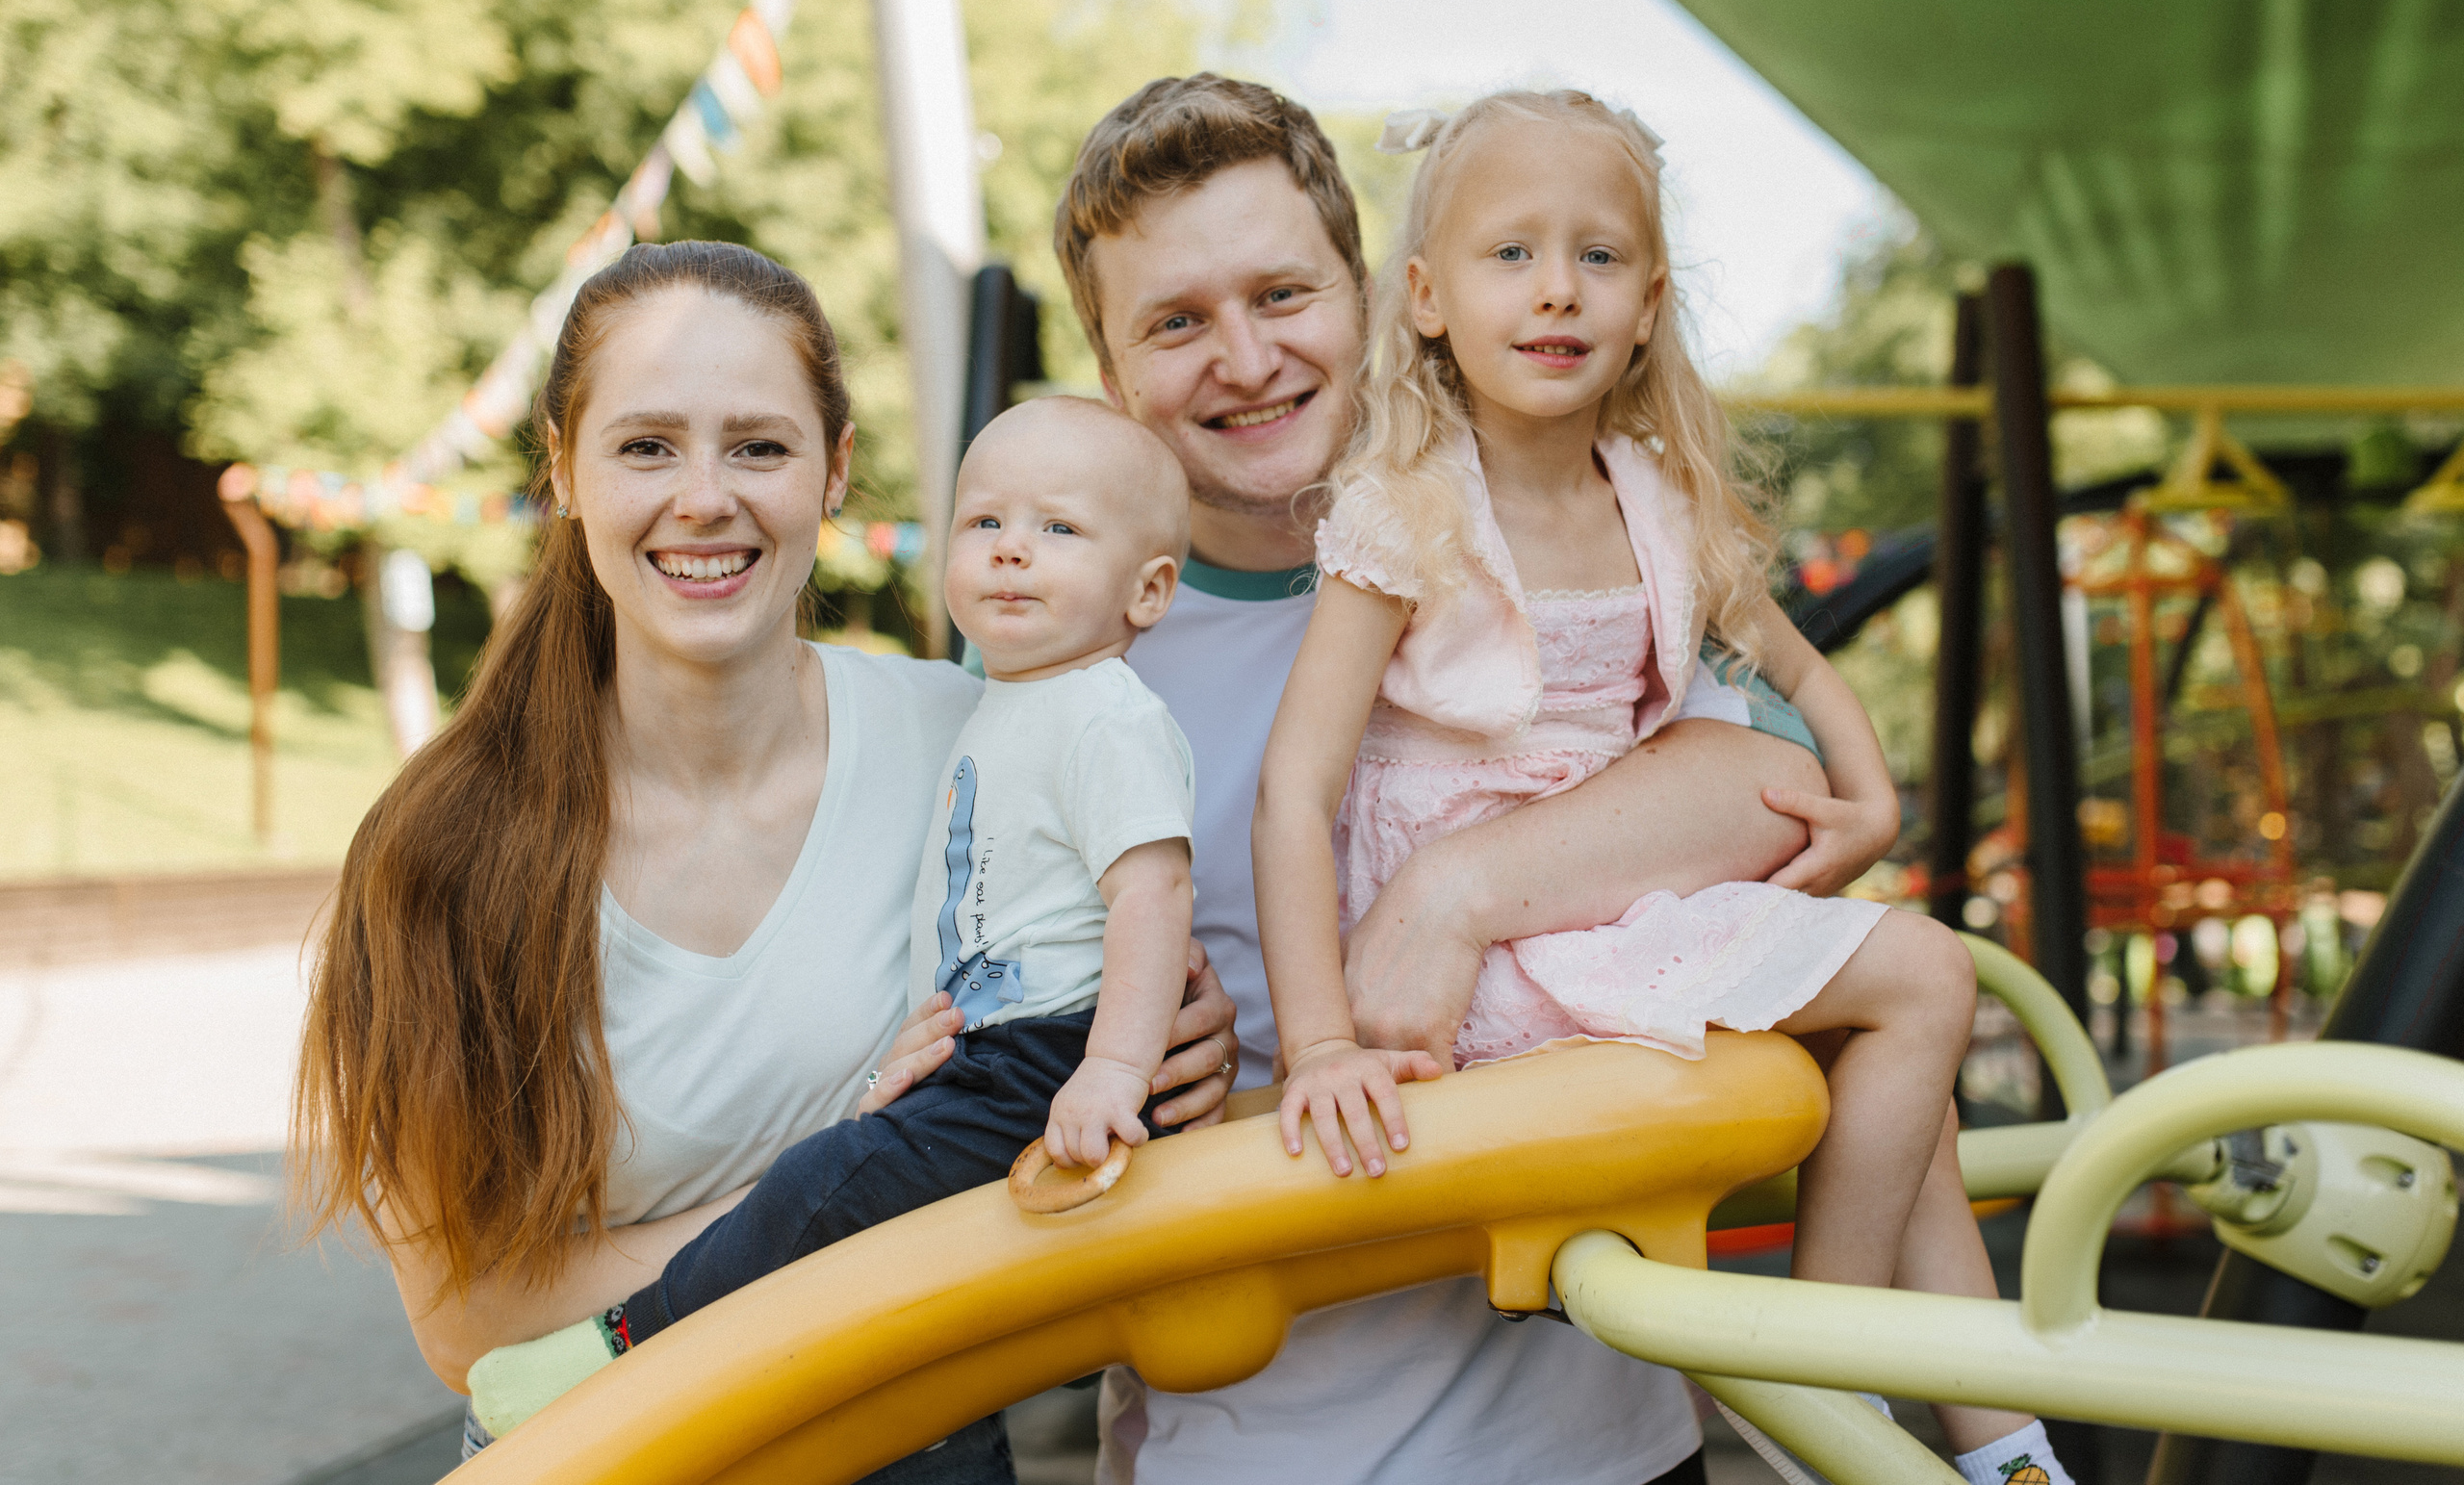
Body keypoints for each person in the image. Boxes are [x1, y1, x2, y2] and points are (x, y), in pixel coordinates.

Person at [1056, 73, 1900, 1485]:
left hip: (1603, 1431)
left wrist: (1458, 890)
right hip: (1260, 1445)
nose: (1247, 358)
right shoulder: (1070, 663)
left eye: (1283, 295)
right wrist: (1095, 1039)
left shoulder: (1567, 532)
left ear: (1380, 295)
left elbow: (1779, 772)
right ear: (1110, 370)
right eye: (1177, 323)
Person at [291, 241, 1239, 1478]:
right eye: (646, 446)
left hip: (914, 1441)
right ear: (563, 468)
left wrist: (1173, 1054)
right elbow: (470, 1322)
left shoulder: (980, 743)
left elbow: (1095, 1077)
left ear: (834, 468)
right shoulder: (445, 848)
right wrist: (852, 1174)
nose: (703, 498)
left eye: (757, 446)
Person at [1248, 90, 2071, 1485]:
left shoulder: (1651, 493)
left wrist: (1869, 793)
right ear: (1428, 298)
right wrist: (1320, 1043)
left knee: (1915, 1054)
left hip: (1614, 904)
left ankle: (1998, 1448)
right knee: (1924, 982)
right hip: (1479, 957)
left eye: (1599, 255)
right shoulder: (1405, 509)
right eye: (1512, 252)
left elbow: (1794, 663)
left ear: (1649, 305)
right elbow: (1294, 787)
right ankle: (1829, 1390)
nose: (1556, 288)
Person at [463, 395, 1207, 1436]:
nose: (1011, 549)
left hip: (1048, 1055)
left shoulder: (1105, 714)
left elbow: (1155, 893)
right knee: (866, 1239)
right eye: (985, 521)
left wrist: (1117, 1068)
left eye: (1059, 528)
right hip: (989, 1053)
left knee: (824, 1186)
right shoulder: (995, 704)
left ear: (1148, 589)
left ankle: (632, 1338)